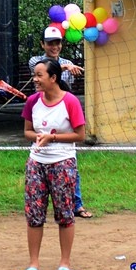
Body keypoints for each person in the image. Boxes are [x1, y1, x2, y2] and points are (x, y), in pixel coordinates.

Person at [20, 58, 85, 270]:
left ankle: (64, 263)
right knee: (34, 213)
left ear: (53, 78)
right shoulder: (32, 101)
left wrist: (53, 138)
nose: (35, 80)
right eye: (35, 75)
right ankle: (33, 264)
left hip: (63, 162)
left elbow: (80, 135)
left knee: (65, 213)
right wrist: (38, 137)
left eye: (39, 75)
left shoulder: (70, 102)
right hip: (36, 162)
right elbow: (27, 131)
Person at [30, 27, 94, 218]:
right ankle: (38, 206)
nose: (54, 46)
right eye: (50, 43)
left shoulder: (68, 63)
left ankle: (76, 204)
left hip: (62, 113)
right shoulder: (36, 61)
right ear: (42, 44)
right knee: (38, 163)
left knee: (69, 160)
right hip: (43, 113)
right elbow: (42, 68)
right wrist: (63, 68)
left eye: (57, 42)